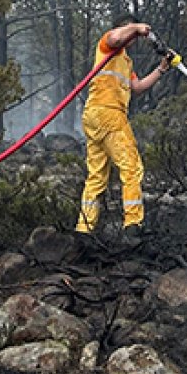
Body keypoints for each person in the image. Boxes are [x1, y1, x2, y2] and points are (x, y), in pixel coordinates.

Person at [75, 14, 176, 239]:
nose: (133, 37)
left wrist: (162, 68)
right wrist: (138, 27)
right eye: (129, 32)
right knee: (131, 167)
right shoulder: (108, 43)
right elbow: (115, 37)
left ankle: (84, 228)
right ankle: (133, 224)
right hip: (108, 113)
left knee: (96, 175)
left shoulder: (124, 61)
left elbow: (137, 87)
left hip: (95, 115)